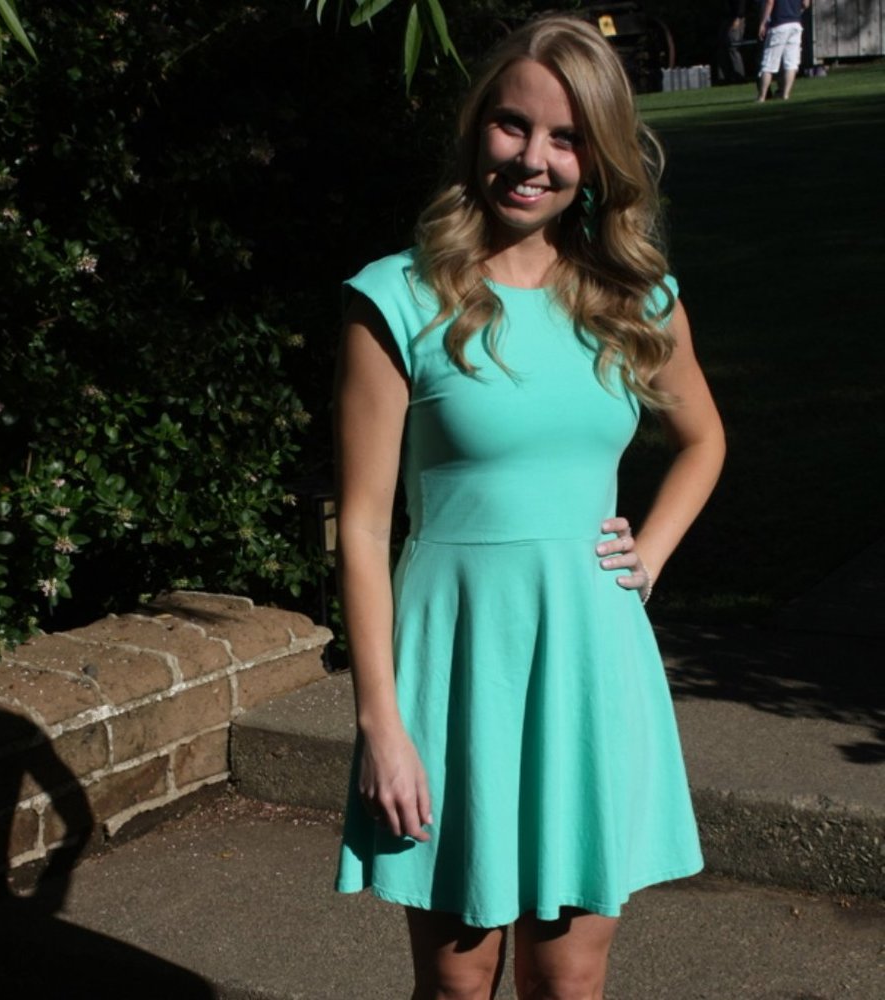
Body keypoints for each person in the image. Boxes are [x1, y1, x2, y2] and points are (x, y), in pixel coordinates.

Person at [334, 14, 725, 1000]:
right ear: (477, 130)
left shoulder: (633, 296)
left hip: (587, 663)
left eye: (564, 138)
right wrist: (381, 719)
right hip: (453, 667)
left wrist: (649, 556)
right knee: (459, 981)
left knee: (570, 977)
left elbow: (703, 440)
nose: (533, 159)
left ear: (595, 157)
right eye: (513, 126)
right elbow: (364, 521)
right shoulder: (396, 299)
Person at [756, 0, 811, 101]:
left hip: (779, 23)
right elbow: (806, 3)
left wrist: (763, 23)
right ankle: (785, 94)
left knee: (769, 63)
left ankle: (762, 96)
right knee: (791, 63)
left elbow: (770, 2)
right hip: (795, 23)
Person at [716, 0, 748, 84]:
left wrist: (738, 18)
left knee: (733, 47)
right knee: (722, 48)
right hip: (727, 17)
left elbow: (741, 3)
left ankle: (739, 76)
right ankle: (724, 77)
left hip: (735, 18)